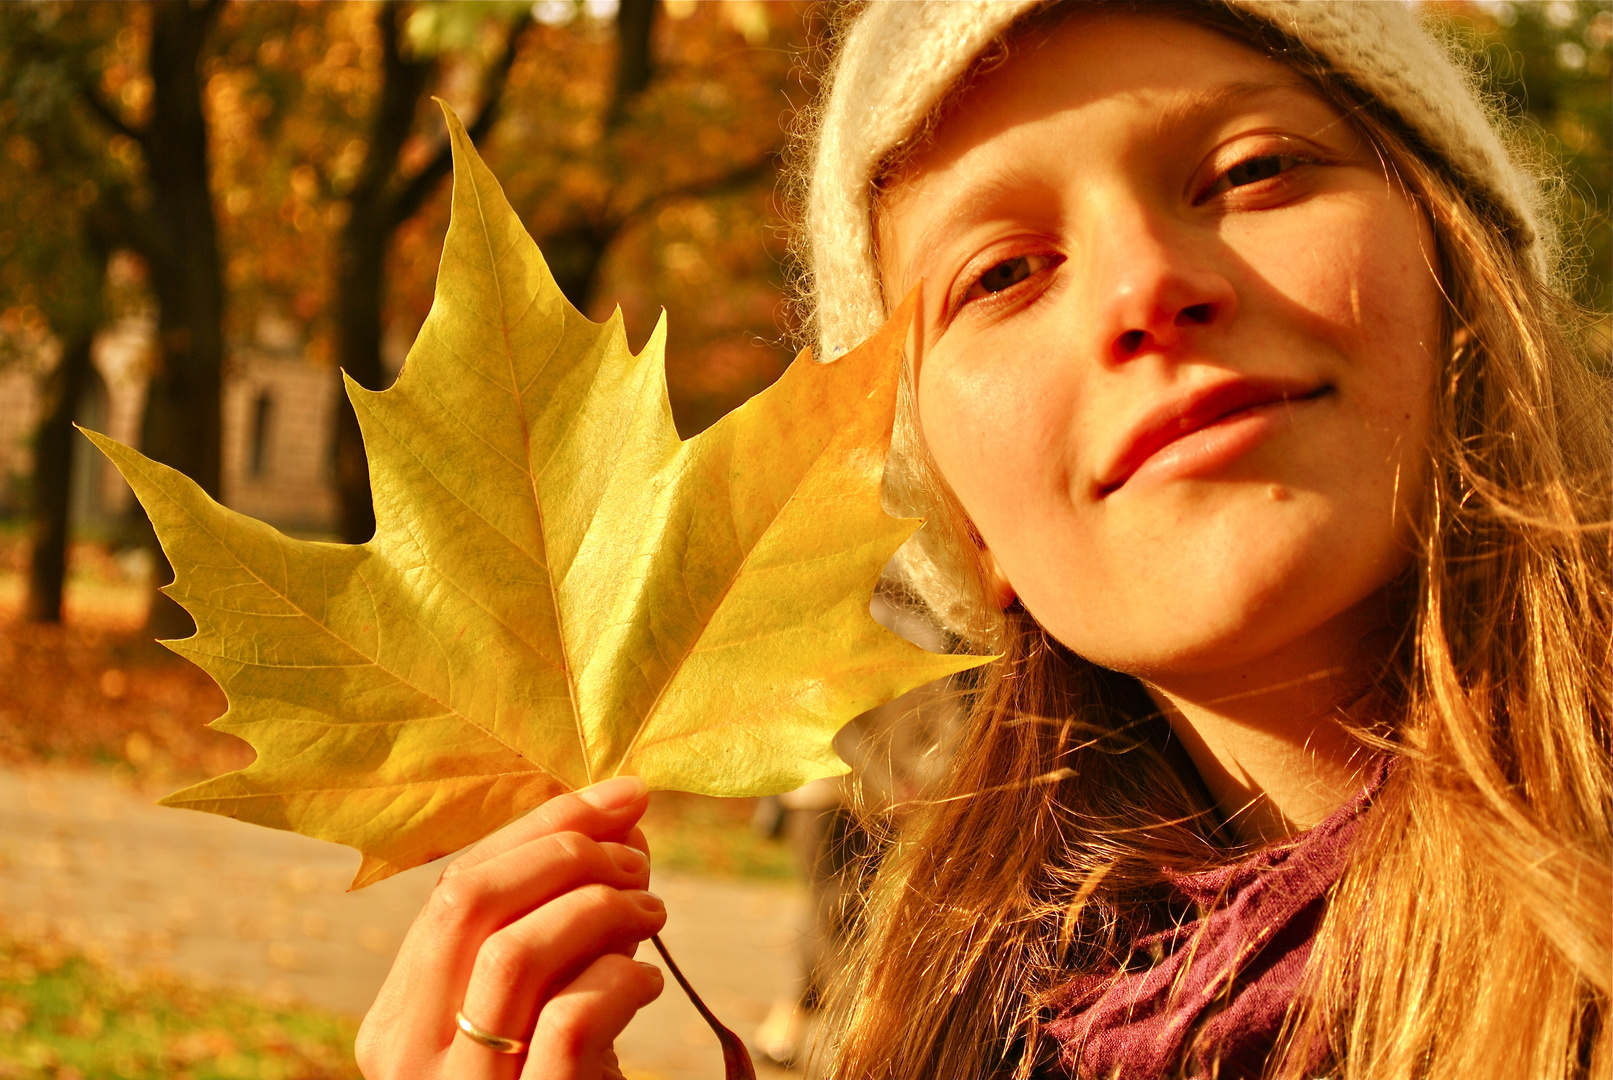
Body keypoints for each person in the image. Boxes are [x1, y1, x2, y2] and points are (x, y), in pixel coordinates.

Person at [354, 3, 1611, 1078]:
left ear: (1460, 262)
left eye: (1249, 171)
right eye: (1003, 272)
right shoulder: (951, 1021)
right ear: (964, 528)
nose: (1141, 290)